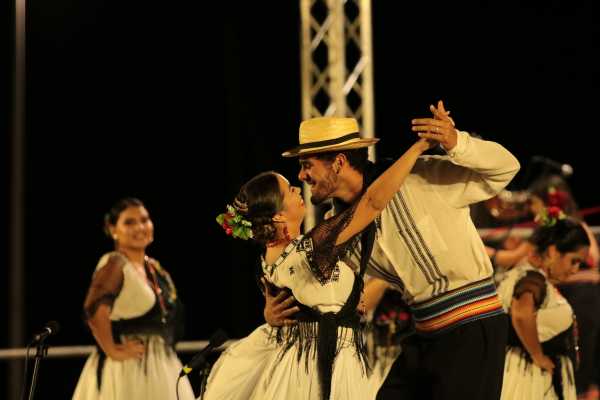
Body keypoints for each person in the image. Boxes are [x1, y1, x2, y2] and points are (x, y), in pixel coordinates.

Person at [266, 100, 521, 399]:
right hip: (425, 332)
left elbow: (507, 168)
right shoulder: (336, 224)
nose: (301, 176)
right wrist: (275, 311)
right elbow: (319, 285)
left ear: (338, 162)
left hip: (471, 323)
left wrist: (456, 142)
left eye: (307, 165)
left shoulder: (422, 176)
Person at [204, 130, 431, 400]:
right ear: (278, 216)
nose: (297, 188)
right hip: (325, 366)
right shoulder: (312, 248)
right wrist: (418, 148)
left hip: (298, 365)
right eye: (289, 190)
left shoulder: (266, 263)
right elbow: (372, 202)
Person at [72, 197, 195, 400]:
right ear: (113, 229)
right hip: (129, 369)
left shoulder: (153, 267)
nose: (140, 227)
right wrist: (112, 350)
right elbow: (94, 309)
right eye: (129, 222)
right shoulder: (115, 263)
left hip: (160, 364)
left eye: (144, 220)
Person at [497, 214, 590, 400]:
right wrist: (538, 356)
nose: (575, 270)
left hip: (530, 376)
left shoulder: (534, 277)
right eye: (574, 261)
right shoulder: (533, 279)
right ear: (554, 252)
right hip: (529, 380)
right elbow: (521, 314)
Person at [528, 174, 600, 399]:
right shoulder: (576, 226)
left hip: (580, 299)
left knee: (580, 354)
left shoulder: (564, 230)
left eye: (534, 202)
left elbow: (593, 262)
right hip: (578, 296)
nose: (531, 209)